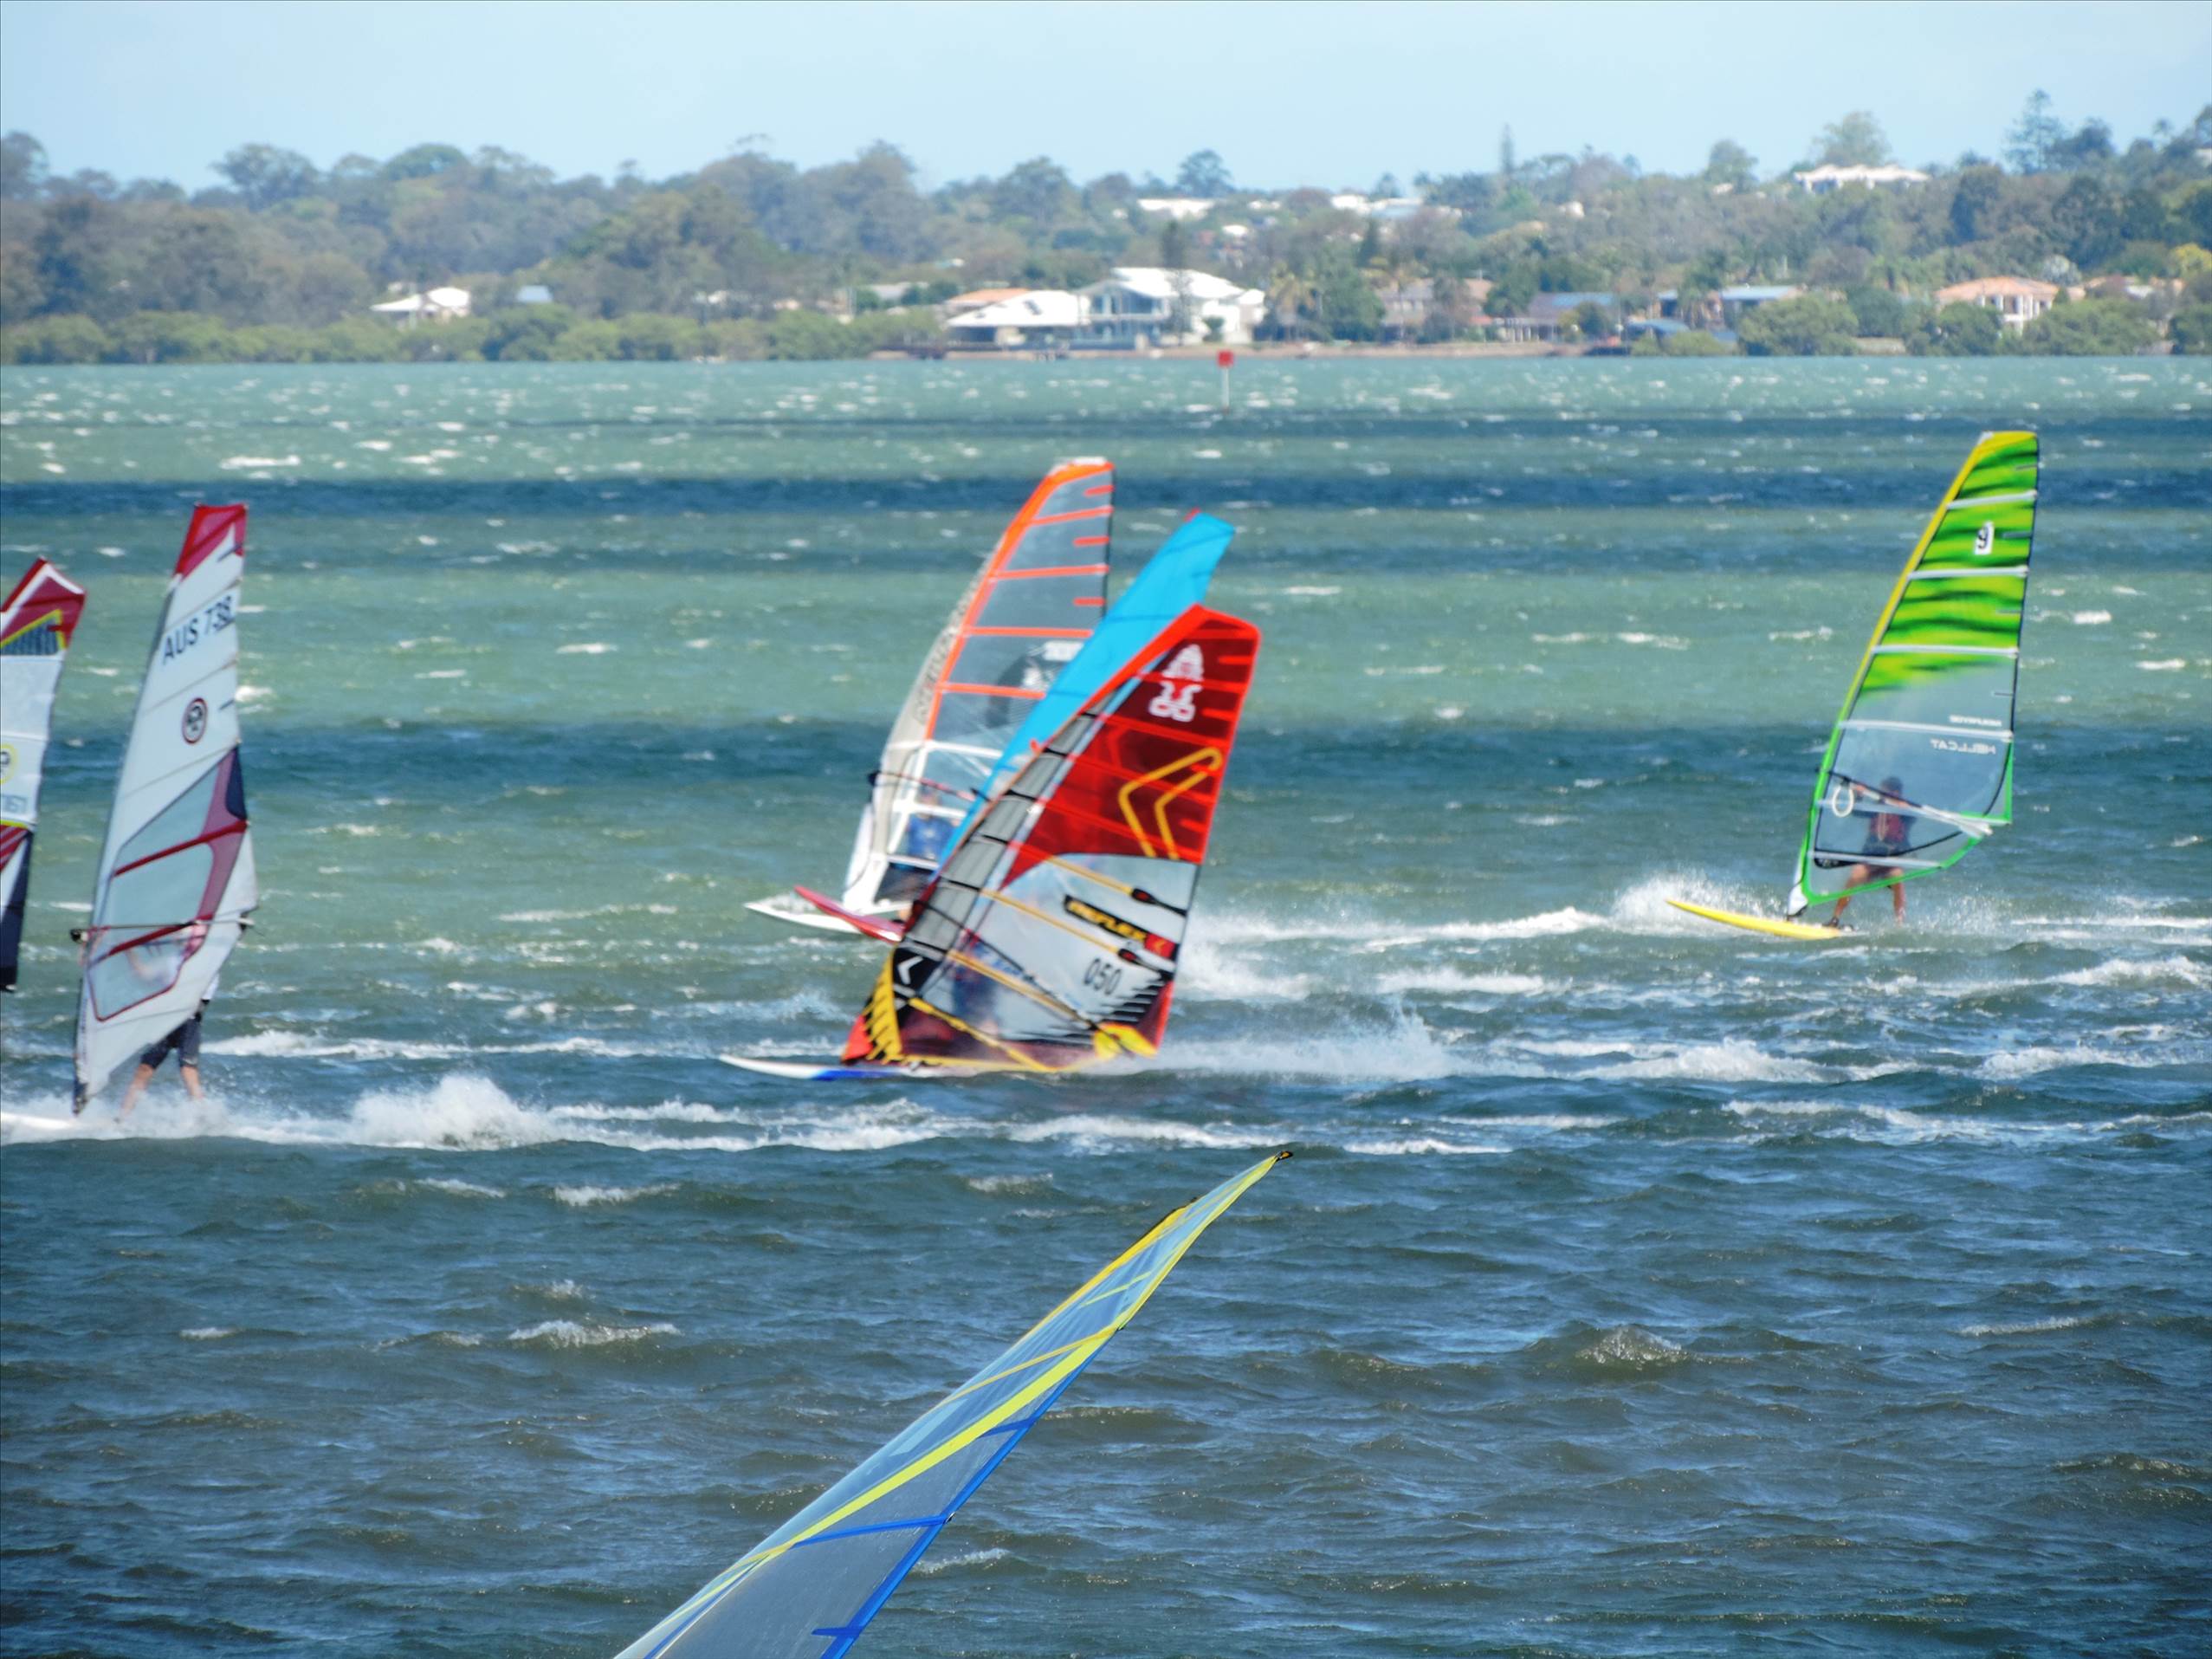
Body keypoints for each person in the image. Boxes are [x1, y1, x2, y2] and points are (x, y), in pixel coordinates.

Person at [1831, 777, 1913, 926]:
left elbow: (1912, 816)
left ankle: (1899, 923)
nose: (1881, 795)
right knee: (1854, 876)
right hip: (1871, 860)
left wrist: (1904, 806)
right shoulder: (1876, 808)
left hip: (1891, 862)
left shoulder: (1904, 812)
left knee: (1898, 878)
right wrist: (1858, 796)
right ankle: (1835, 918)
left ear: (1896, 793)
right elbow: (1855, 811)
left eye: (1884, 792)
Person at [119, 988, 213, 1117]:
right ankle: (122, 1117)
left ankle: (201, 1114)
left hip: (188, 1023)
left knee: (188, 1069)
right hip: (164, 1022)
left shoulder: (208, 977)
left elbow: (202, 999)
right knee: (145, 1068)